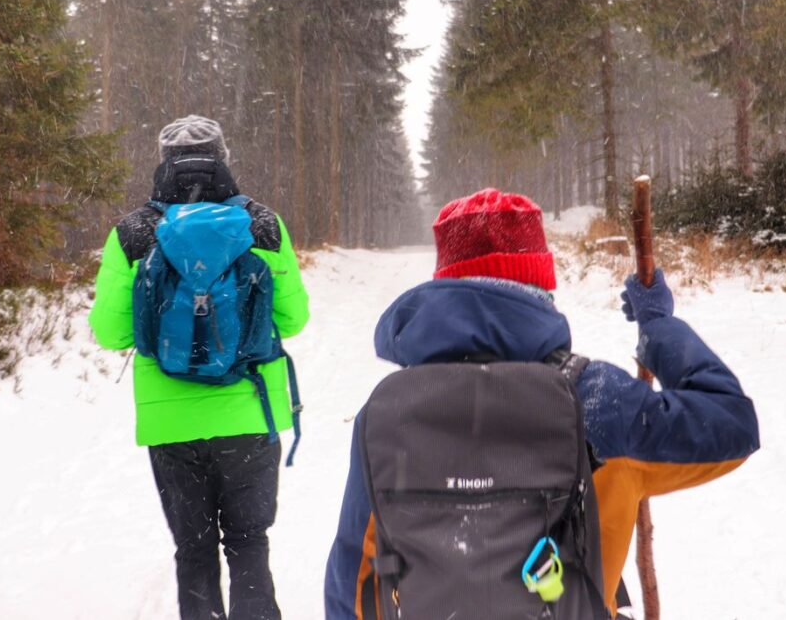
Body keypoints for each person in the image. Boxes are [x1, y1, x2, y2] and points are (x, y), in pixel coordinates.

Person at [324, 188, 759, 619]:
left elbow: (352, 580)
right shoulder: (597, 401)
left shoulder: (388, 414)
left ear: (444, 286)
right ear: (540, 287)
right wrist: (659, 326)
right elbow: (732, 424)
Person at [89, 115, 309, 620]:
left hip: (172, 423)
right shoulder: (264, 225)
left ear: (163, 161)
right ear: (224, 157)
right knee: (249, 542)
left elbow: (111, 333)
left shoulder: (132, 233)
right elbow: (294, 319)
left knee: (194, 550)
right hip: (250, 413)